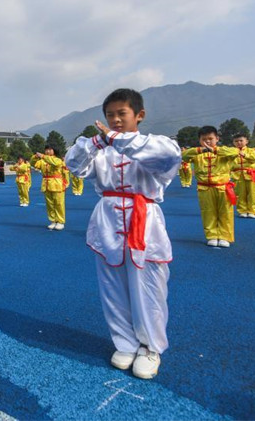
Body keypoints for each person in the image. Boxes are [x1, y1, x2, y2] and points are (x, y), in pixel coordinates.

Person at [65, 88, 180, 380]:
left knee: (149, 285)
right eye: (110, 115)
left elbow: (166, 157)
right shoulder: (101, 152)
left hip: (144, 222)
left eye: (122, 114)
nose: (115, 120)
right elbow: (74, 165)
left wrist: (116, 139)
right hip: (108, 220)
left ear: (139, 115)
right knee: (112, 287)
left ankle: (151, 347)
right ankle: (125, 343)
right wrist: (94, 142)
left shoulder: (156, 145)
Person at [182, 127, 240, 247]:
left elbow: (235, 152)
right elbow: (184, 156)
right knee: (208, 212)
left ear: (217, 139)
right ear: (199, 140)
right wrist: (199, 150)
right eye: (204, 139)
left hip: (223, 188)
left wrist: (214, 151)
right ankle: (212, 235)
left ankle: (225, 236)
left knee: (225, 212)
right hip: (204, 188)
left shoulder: (223, 151)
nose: (207, 142)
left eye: (210, 139)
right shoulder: (197, 153)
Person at [31, 147, 66, 230]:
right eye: (46, 149)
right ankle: (53, 220)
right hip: (46, 184)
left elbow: (54, 162)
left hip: (56, 184)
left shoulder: (58, 160)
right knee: (49, 204)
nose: (47, 151)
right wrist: (35, 157)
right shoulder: (42, 161)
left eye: (50, 149)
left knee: (59, 203)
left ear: (54, 151)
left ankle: (60, 221)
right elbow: (33, 163)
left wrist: (43, 156)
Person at [230, 134, 255, 219]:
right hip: (237, 175)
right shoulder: (231, 151)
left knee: (253, 193)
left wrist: (245, 155)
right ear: (233, 142)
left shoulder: (251, 150)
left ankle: (253, 211)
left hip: (250, 174)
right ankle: (242, 210)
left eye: (241, 140)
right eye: (236, 141)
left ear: (246, 141)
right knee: (240, 194)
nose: (239, 143)